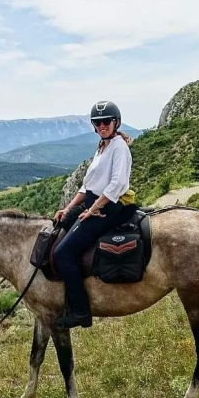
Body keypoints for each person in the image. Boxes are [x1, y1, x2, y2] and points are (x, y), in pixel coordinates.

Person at [52, 100, 133, 329]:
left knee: (62, 253)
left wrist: (93, 209)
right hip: (94, 201)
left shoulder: (119, 147)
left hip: (109, 207)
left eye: (106, 121)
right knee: (61, 224)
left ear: (115, 122)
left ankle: (80, 311)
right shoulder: (102, 147)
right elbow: (86, 185)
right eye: (97, 123)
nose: (102, 126)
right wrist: (68, 209)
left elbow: (117, 184)